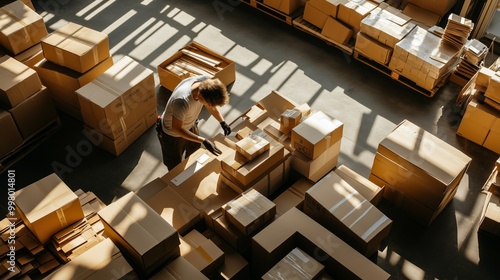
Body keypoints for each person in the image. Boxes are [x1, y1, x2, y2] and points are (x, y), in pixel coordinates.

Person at [157, 75, 231, 170]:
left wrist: (222, 122)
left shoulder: (205, 83)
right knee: (174, 165)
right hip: (172, 135)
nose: (208, 106)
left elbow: (210, 105)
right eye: (207, 103)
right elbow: (176, 128)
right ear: (200, 95)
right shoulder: (182, 101)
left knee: (194, 150)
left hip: (190, 123)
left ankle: (190, 168)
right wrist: (203, 140)